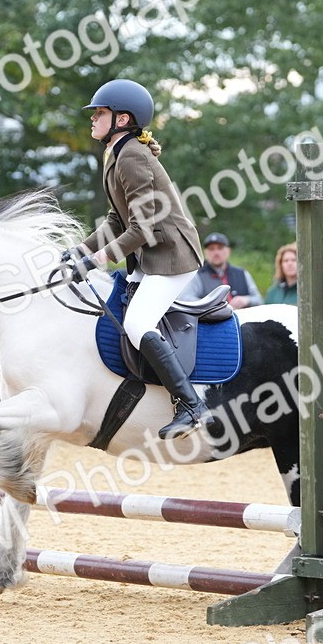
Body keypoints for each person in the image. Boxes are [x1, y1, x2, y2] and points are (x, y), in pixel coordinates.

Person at [65, 78, 206, 440]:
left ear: (123, 119)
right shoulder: (115, 154)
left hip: (171, 255)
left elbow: (142, 228)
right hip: (151, 257)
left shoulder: (131, 156)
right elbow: (117, 220)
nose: (93, 119)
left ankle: (191, 406)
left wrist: (96, 260)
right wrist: (80, 251)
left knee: (138, 323)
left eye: (100, 113)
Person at [182, 232, 264, 310]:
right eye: (211, 249)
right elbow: (185, 299)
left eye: (220, 248)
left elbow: (259, 300)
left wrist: (247, 300)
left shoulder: (242, 273)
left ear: (229, 251)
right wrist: (212, 305)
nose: (216, 252)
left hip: (242, 322)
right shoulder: (198, 275)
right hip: (212, 322)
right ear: (205, 252)